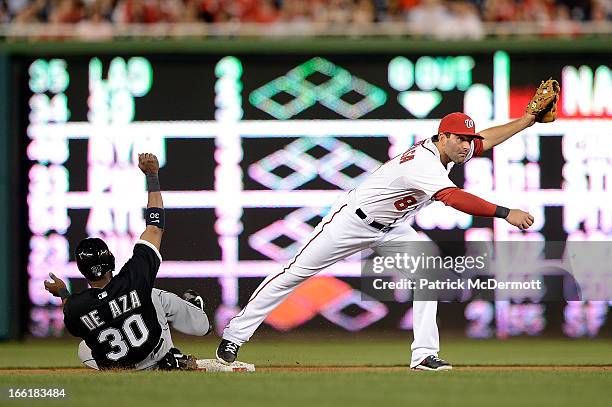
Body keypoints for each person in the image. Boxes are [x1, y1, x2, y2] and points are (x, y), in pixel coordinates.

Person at [217, 81, 559, 371]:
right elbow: (453, 199)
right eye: (460, 139)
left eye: (468, 141)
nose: (466, 145)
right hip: (353, 221)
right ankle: (234, 336)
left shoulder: (452, 150)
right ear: (442, 137)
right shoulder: (424, 162)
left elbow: (486, 140)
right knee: (295, 274)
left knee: (428, 274)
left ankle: (424, 355)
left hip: (391, 228)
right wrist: (505, 212)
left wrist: (527, 119)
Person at [44, 153, 211, 370]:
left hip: (122, 367)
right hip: (156, 351)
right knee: (151, 295)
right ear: (111, 261)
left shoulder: (76, 306)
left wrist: (64, 294)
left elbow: (71, 310)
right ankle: (176, 347)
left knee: (84, 348)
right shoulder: (133, 278)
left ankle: (148, 364)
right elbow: (154, 227)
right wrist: (152, 175)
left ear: (83, 271)